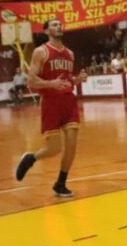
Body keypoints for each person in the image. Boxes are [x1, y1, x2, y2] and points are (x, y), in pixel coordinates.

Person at [15, 19, 87, 197]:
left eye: (60, 24)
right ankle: (31, 158)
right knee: (54, 149)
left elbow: (67, 79)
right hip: (51, 102)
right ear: (47, 31)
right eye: (54, 25)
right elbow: (31, 81)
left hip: (69, 101)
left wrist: (77, 80)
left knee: (71, 146)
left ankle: (60, 183)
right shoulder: (41, 52)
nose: (59, 27)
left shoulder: (69, 53)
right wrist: (51, 83)